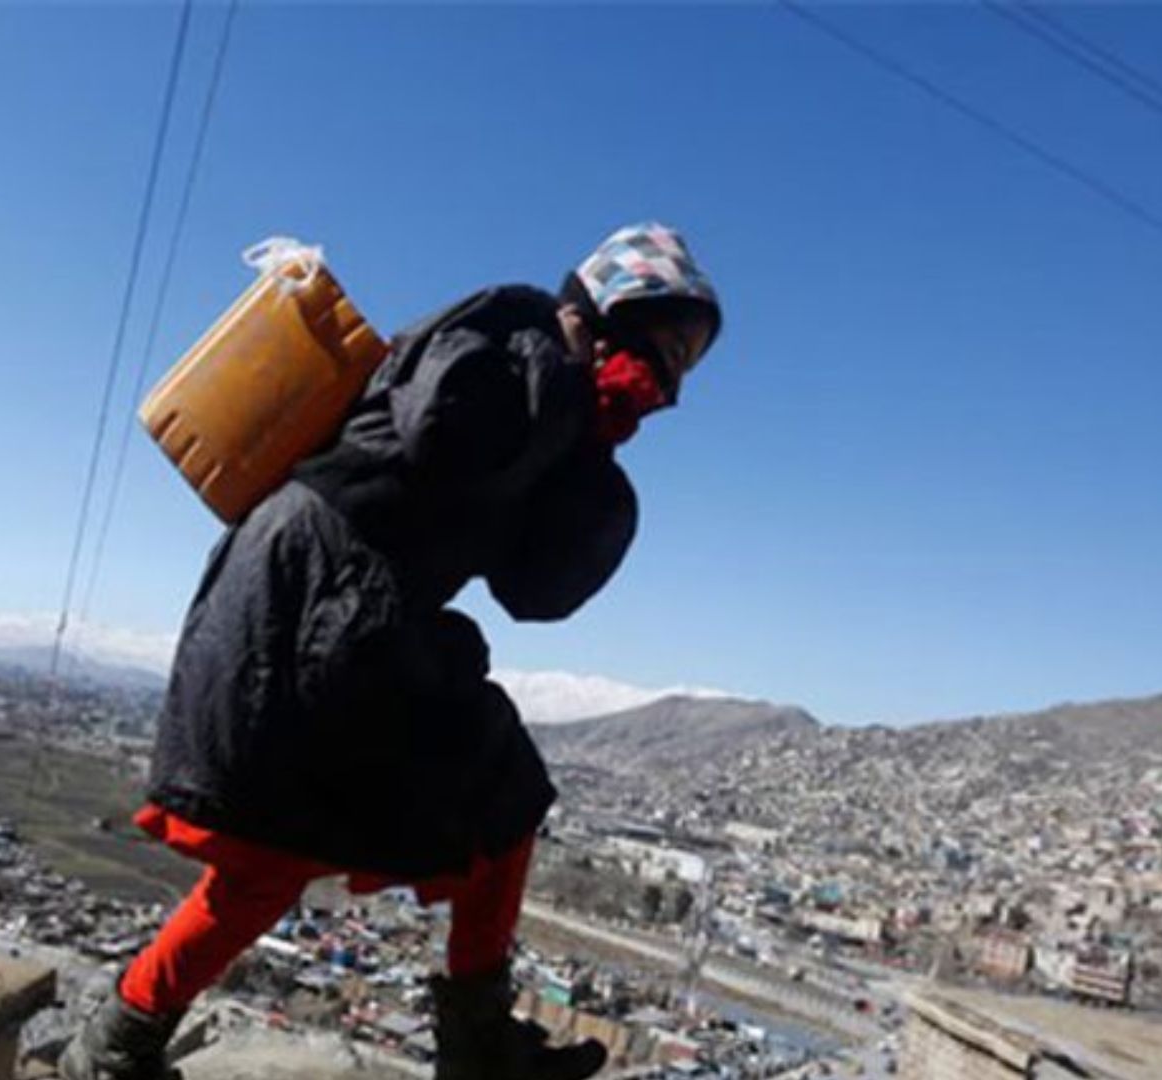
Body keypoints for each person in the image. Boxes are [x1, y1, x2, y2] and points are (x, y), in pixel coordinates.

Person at [61, 223, 724, 1080]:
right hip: (308, 596)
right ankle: (472, 1051)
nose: (668, 382)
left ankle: (114, 1048)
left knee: (296, 853)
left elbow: (537, 590)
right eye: (666, 347)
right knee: (427, 813)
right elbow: (441, 429)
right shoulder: (508, 330)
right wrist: (566, 400)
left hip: (351, 619)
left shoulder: (568, 423)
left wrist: (588, 469)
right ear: (610, 312)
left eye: (682, 365)